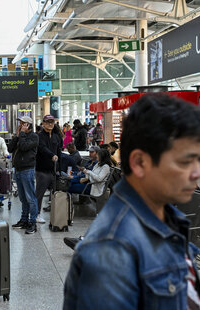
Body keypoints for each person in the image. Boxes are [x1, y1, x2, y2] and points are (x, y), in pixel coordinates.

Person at [63, 94, 200, 310]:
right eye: (185, 161)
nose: (196, 173)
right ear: (139, 162)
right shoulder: (110, 252)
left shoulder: (172, 221)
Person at [8, 116, 39, 234]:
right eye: (20, 123)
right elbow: (10, 148)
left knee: (30, 198)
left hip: (28, 170)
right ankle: (24, 220)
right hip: (18, 169)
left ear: (29, 125)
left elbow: (24, 147)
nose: (20, 125)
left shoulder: (34, 137)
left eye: (23, 123)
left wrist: (22, 135)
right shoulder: (20, 136)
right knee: (22, 198)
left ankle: (32, 223)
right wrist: (16, 136)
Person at [35, 115, 62, 222]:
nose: (50, 124)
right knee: (39, 194)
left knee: (57, 193)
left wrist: (60, 168)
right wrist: (52, 155)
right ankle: (36, 214)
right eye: (47, 122)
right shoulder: (40, 136)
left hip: (54, 170)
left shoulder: (56, 136)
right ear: (43, 123)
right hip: (42, 170)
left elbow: (59, 152)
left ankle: (59, 215)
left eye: (52, 122)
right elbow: (42, 148)